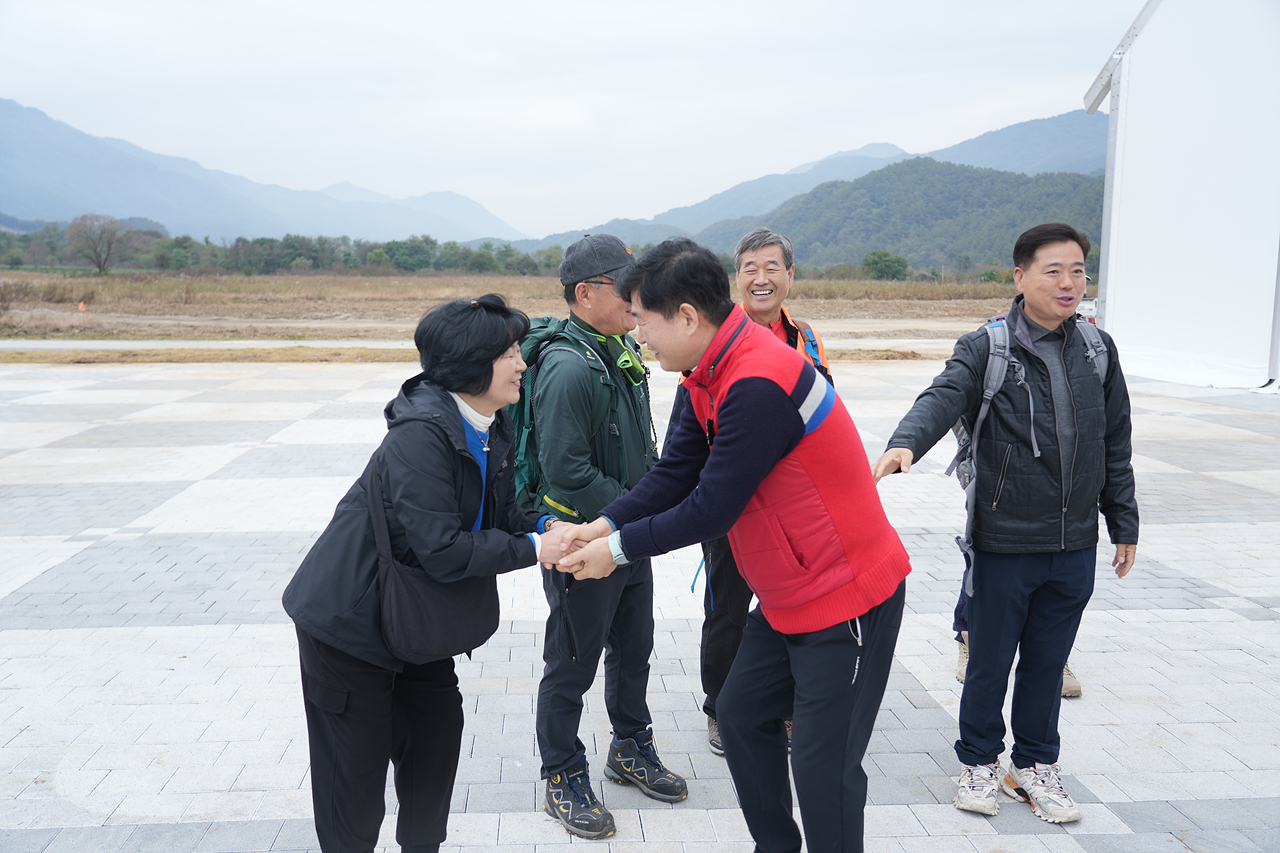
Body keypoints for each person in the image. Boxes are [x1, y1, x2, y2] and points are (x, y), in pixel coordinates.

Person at [553, 238, 910, 853]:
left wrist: (615, 554)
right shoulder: (707, 373)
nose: (640, 338)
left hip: (847, 593)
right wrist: (604, 525)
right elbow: (674, 474)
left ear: (688, 316)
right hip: (790, 595)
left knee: (825, 773)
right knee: (742, 717)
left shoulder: (759, 379)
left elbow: (713, 506)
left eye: (644, 321)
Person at [871, 223, 1138, 824]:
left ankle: (1036, 765)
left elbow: (1114, 440)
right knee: (989, 661)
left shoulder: (1098, 350)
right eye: (1054, 271)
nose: (1069, 283)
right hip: (1004, 540)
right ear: (1020, 277)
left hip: (1074, 544)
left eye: (1078, 272)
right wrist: (904, 444)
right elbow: (942, 396)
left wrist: (1123, 519)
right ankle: (979, 761)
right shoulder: (986, 347)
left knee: (1049, 661)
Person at [282, 295, 564, 853]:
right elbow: (442, 550)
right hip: (349, 623)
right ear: (468, 363)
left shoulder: (491, 422)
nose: (522, 364)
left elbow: (498, 513)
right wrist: (536, 548)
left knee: (435, 745)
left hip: (413, 620)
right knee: (355, 780)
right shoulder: (419, 435)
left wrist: (551, 525)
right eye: (509, 352)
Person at [531, 234, 683, 840]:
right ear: (585, 293)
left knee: (633, 647)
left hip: (624, 534)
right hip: (586, 542)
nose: (636, 295)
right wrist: (629, 522)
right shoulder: (569, 366)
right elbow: (566, 469)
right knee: (571, 663)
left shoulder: (618, 350)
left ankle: (629, 747)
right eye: (624, 284)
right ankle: (563, 772)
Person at [663, 226, 833, 754]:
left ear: (789, 275)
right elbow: (683, 443)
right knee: (729, 610)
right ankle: (720, 707)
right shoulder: (706, 344)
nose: (761, 279)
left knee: (790, 607)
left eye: (771, 268)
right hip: (731, 507)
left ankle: (779, 704)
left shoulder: (805, 339)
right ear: (735, 279)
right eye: (749, 269)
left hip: (792, 512)